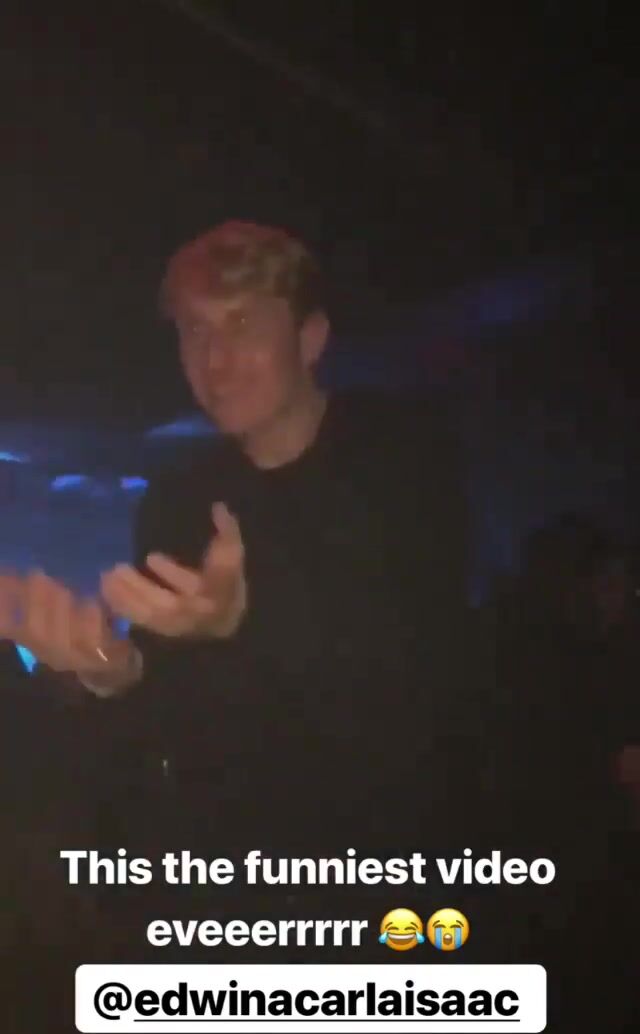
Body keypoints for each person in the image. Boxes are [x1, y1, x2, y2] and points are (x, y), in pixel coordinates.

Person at [0, 221, 475, 960]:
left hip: (389, 877)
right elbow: (167, 709)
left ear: (311, 338)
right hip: (224, 886)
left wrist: (244, 622)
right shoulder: (177, 498)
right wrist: (110, 670)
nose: (215, 358)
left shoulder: (404, 456)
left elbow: (419, 673)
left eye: (243, 324)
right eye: (195, 331)